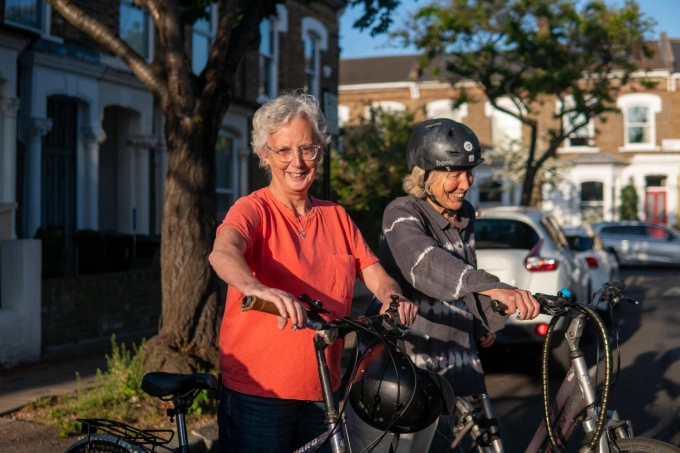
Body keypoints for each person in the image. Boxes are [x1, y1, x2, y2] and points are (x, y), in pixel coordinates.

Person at [208, 91, 418, 453]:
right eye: (283, 150)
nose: (297, 161)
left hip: (324, 391)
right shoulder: (252, 209)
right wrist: (255, 287)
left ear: (320, 151)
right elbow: (222, 251)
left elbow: (373, 271)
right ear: (264, 155)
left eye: (308, 148)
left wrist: (392, 295)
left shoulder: (336, 216)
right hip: (259, 393)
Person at [345, 118, 541, 452]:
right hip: (393, 370)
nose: (465, 183)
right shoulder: (402, 212)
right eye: (454, 174)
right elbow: (426, 264)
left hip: (437, 371)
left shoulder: (465, 215)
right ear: (425, 175)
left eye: (469, 172)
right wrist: (494, 287)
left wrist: (479, 320)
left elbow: (464, 269)